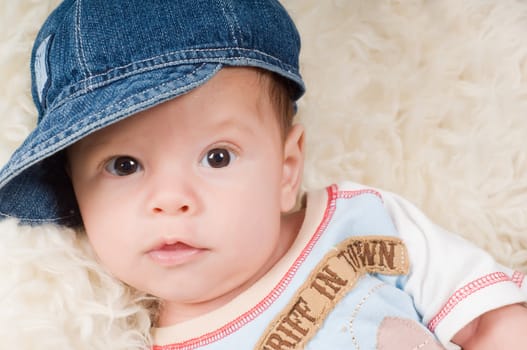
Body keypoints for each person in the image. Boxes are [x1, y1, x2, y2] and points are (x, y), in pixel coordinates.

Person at [0, 0, 526, 349]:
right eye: (124, 165)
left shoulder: (363, 221)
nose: (171, 200)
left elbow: (491, 321)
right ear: (73, 192)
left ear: (286, 170)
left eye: (218, 157)